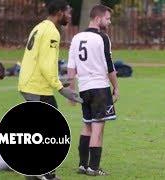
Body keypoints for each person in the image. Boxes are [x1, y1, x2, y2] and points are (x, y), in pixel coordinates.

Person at [18, 0, 82, 179]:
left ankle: (33, 173)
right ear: (60, 12)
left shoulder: (40, 27)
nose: (70, 16)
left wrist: (57, 80)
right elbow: (46, 64)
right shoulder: (52, 31)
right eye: (68, 12)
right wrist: (61, 88)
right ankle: (46, 173)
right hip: (37, 87)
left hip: (31, 84)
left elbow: (41, 60)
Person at [67, 4, 119, 176]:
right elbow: (110, 67)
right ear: (98, 18)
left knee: (86, 126)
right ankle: (94, 168)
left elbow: (71, 68)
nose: (109, 22)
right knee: (98, 128)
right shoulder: (102, 38)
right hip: (99, 89)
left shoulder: (76, 37)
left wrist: (71, 92)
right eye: (107, 18)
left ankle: (83, 165)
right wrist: (116, 87)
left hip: (84, 89)